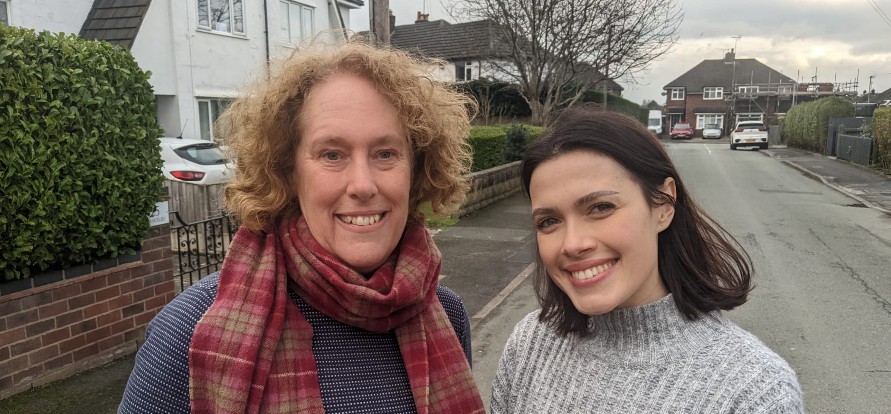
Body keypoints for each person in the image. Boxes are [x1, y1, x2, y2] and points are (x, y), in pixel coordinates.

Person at [119, 41, 486, 413]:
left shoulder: (448, 315)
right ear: (289, 172)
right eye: (332, 154)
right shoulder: (188, 332)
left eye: (386, 154)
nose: (363, 185)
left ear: (416, 169)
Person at [490, 109, 803, 413]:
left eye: (601, 208)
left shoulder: (756, 392)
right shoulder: (529, 344)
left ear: (664, 205)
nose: (572, 244)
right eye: (548, 222)